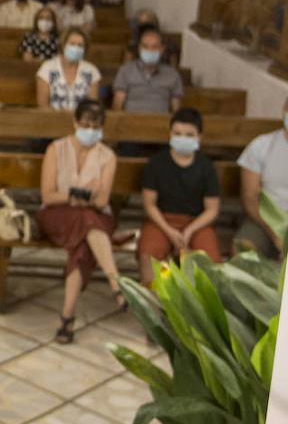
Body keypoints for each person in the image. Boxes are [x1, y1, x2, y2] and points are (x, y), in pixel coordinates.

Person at [37, 98, 124, 344]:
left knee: (84, 242)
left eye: (96, 127)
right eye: (85, 125)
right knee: (86, 221)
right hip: (57, 215)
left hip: (96, 218)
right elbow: (48, 195)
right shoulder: (56, 149)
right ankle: (115, 282)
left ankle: (67, 318)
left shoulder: (107, 156)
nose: (90, 131)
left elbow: (102, 201)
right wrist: (83, 193)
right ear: (75, 122)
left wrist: (76, 196)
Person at [138, 108, 222, 280]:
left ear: (199, 137)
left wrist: (190, 230)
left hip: (197, 222)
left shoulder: (206, 167)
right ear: (170, 134)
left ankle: (199, 305)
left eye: (189, 135)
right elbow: (149, 204)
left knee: (210, 263)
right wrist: (169, 230)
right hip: (162, 220)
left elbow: (212, 209)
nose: (182, 138)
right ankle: (155, 303)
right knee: (148, 257)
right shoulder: (156, 163)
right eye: (177, 133)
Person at [235, 97, 288, 257]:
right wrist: (273, 233)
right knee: (243, 251)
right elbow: (250, 198)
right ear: (285, 108)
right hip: (265, 219)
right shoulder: (261, 145)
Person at [111, 26, 183, 114]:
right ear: (139, 48)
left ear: (161, 49)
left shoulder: (172, 74)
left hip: (161, 124)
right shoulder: (126, 71)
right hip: (131, 123)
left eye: (154, 47)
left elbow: (176, 109)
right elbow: (117, 105)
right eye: (145, 46)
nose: (150, 50)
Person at [36, 29, 101, 111]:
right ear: (63, 45)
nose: (76, 48)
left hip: (82, 121)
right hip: (52, 119)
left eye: (80, 45)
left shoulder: (92, 71)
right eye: (72, 44)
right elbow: (43, 106)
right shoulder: (47, 68)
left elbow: (92, 106)